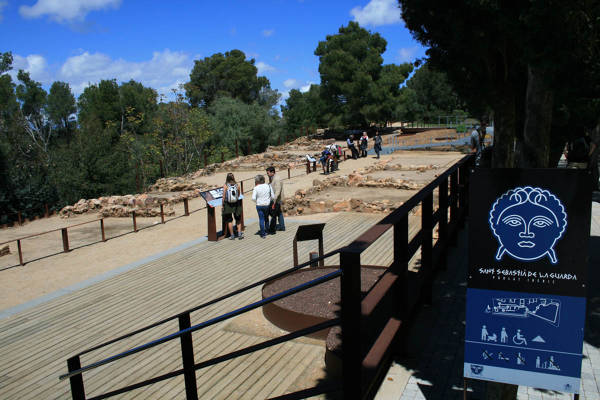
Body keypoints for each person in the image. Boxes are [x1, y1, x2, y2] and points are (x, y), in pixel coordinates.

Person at [222, 173, 244, 240]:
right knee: (238, 219)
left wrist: (222, 205)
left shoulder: (225, 186)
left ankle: (232, 235)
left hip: (228, 204)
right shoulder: (237, 185)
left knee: (229, 220)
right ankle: (239, 234)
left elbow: (223, 196)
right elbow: (239, 194)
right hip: (236, 204)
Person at [266, 166, 285, 233]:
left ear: (272, 172)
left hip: (277, 199)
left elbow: (278, 190)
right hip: (276, 199)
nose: (267, 174)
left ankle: (278, 227)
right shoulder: (273, 178)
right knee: (279, 213)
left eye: (268, 173)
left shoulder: (276, 179)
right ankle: (282, 226)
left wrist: (274, 199)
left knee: (275, 213)